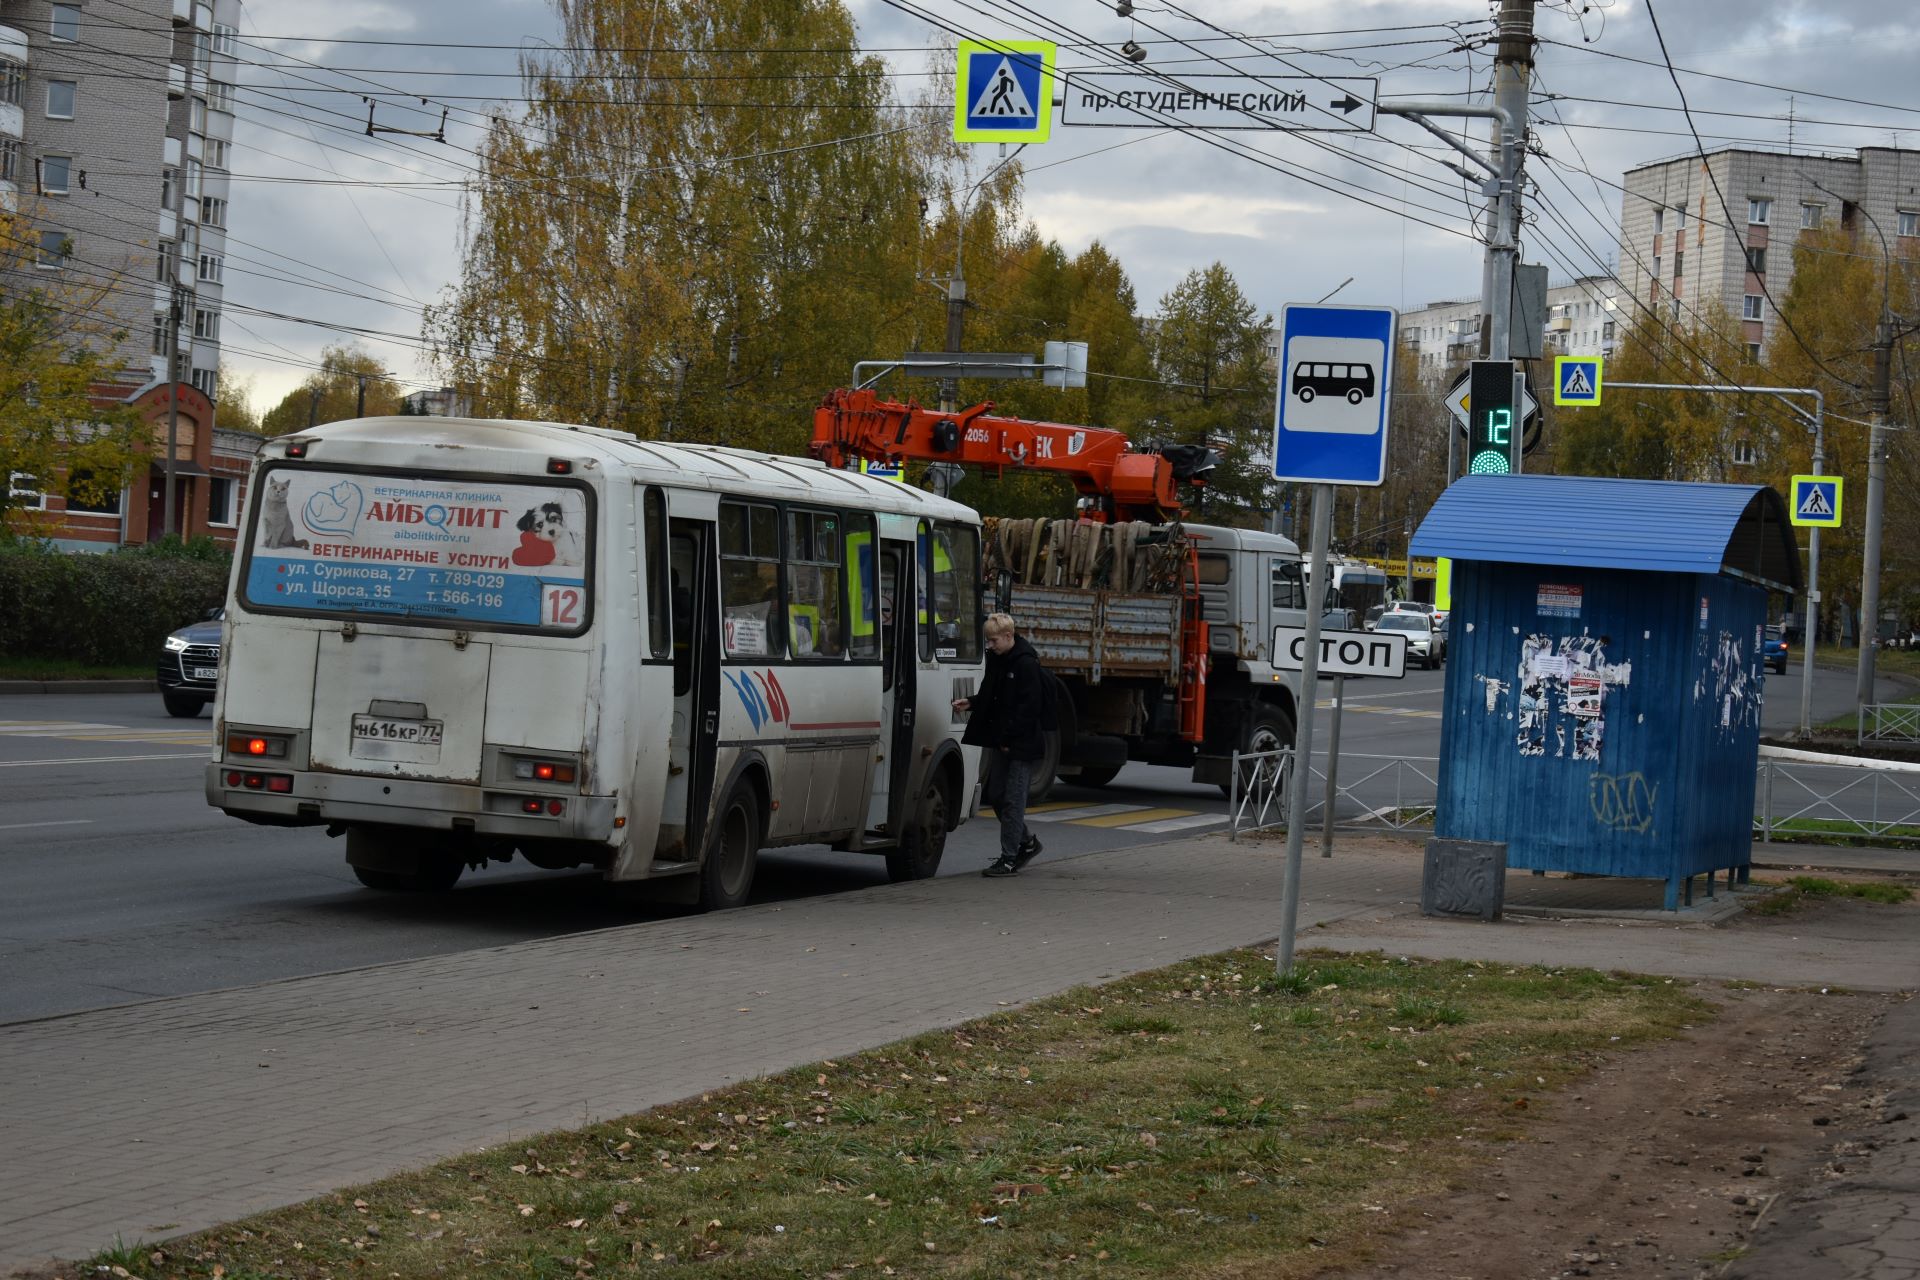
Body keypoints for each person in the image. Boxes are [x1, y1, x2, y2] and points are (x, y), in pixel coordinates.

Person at [953, 612, 1046, 877]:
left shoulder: (1026, 663)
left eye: (994, 640)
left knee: (1013, 801)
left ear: (1008, 636)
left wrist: (1010, 740)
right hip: (1005, 739)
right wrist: (972, 702)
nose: (990, 646)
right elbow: (992, 694)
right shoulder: (999, 659)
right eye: (988, 641)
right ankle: (1026, 843)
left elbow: (1029, 709)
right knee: (996, 794)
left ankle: (1008, 859)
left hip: (1021, 743)